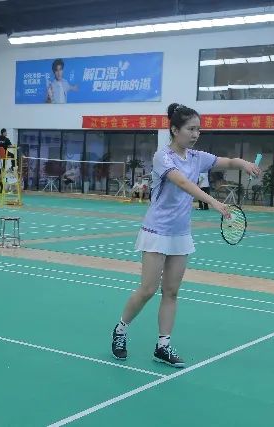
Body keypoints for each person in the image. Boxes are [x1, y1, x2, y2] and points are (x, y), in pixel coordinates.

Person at [110, 103, 260, 367]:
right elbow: (182, 182)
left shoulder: (197, 157)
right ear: (174, 129)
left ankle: (163, 346)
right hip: (157, 231)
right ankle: (121, 330)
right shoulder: (163, 156)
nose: (195, 134)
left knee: (171, 292)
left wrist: (242, 163)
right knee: (147, 289)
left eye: (198, 129)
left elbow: (225, 161)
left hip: (180, 233)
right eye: (190, 129)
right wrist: (213, 202)